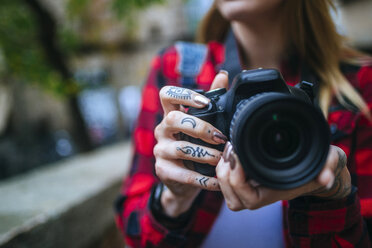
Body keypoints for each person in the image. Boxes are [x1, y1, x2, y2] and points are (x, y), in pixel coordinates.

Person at [115, 0, 372, 247]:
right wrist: (173, 198)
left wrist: (334, 195)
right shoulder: (176, 71)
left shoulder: (359, 83)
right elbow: (134, 233)